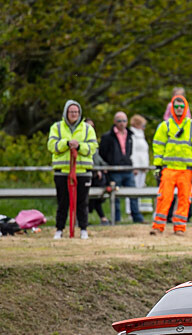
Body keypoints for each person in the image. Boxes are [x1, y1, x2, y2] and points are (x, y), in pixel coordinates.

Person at [151, 94, 192, 235]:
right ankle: (158, 227)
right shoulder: (165, 126)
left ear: (186, 107)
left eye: (182, 106)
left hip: (185, 170)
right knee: (164, 198)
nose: (179, 109)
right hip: (168, 169)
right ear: (172, 108)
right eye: (176, 107)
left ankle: (180, 228)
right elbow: (158, 147)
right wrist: (157, 166)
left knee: (184, 199)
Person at [47, 100, 97, 239]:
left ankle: (83, 229)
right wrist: (66, 144)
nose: (74, 114)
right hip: (62, 171)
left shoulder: (88, 128)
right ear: (66, 113)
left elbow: (93, 147)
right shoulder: (56, 127)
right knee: (63, 202)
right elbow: (52, 146)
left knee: (82, 202)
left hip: (83, 171)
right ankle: (59, 229)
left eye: (76, 112)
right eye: (71, 112)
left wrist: (79, 146)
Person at [99, 111, 144, 223]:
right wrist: (106, 167)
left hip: (127, 169)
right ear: (115, 122)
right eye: (119, 121)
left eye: (124, 121)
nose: (121, 123)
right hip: (114, 170)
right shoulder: (107, 137)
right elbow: (102, 153)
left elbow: (130, 152)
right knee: (115, 196)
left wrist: (132, 166)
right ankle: (116, 219)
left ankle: (137, 218)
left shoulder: (129, 135)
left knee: (133, 194)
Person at [84, 119, 111, 225]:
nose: (91, 128)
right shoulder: (81, 140)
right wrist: (95, 169)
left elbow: (97, 158)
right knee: (85, 198)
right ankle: (99, 218)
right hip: (86, 173)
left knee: (96, 197)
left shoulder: (93, 141)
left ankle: (102, 218)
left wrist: (104, 167)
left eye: (92, 126)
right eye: (88, 126)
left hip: (96, 176)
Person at [129, 114, 152, 214]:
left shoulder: (141, 135)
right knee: (133, 189)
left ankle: (138, 210)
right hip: (136, 166)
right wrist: (133, 166)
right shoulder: (132, 134)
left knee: (140, 188)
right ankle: (130, 211)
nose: (144, 128)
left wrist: (145, 165)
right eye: (143, 125)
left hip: (143, 166)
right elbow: (132, 151)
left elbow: (144, 152)